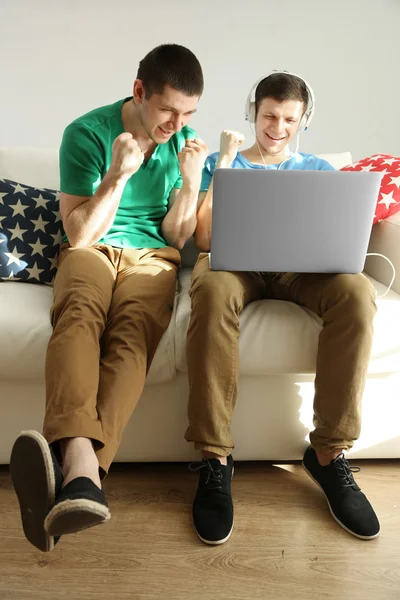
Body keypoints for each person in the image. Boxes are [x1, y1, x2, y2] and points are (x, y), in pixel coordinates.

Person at [10, 43, 207, 552]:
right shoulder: (87, 133)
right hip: (93, 248)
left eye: (188, 113)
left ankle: (77, 477)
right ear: (139, 91)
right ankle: (83, 464)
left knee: (133, 336)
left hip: (152, 258)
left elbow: (177, 237)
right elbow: (78, 235)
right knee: (78, 318)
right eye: (167, 109)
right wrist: (119, 174)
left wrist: (188, 184)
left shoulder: (183, 144)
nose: (176, 123)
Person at [185, 71, 380, 545]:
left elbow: (341, 241)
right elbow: (204, 239)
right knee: (210, 291)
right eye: (269, 116)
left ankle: (330, 454)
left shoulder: (318, 171)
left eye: (289, 119)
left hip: (301, 270)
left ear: (304, 120)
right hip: (235, 265)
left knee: (357, 293)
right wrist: (227, 164)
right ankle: (215, 459)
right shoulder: (219, 161)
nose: (277, 127)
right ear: (253, 112)